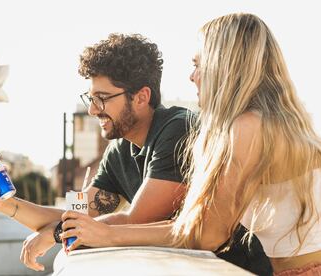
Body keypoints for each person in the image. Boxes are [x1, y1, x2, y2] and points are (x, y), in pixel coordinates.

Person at [0, 32, 271, 275]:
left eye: (103, 99)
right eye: (90, 99)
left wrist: (55, 234)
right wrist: (5, 204)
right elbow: (79, 215)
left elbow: (134, 220)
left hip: (235, 268)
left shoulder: (178, 129)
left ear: (141, 97)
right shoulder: (120, 148)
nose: (92, 110)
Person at [60, 13, 321, 275]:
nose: (191, 76)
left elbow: (207, 234)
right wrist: (18, 208)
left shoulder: (240, 127)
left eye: (198, 65)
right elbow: (82, 210)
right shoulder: (118, 150)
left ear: (223, 66)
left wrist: (107, 235)